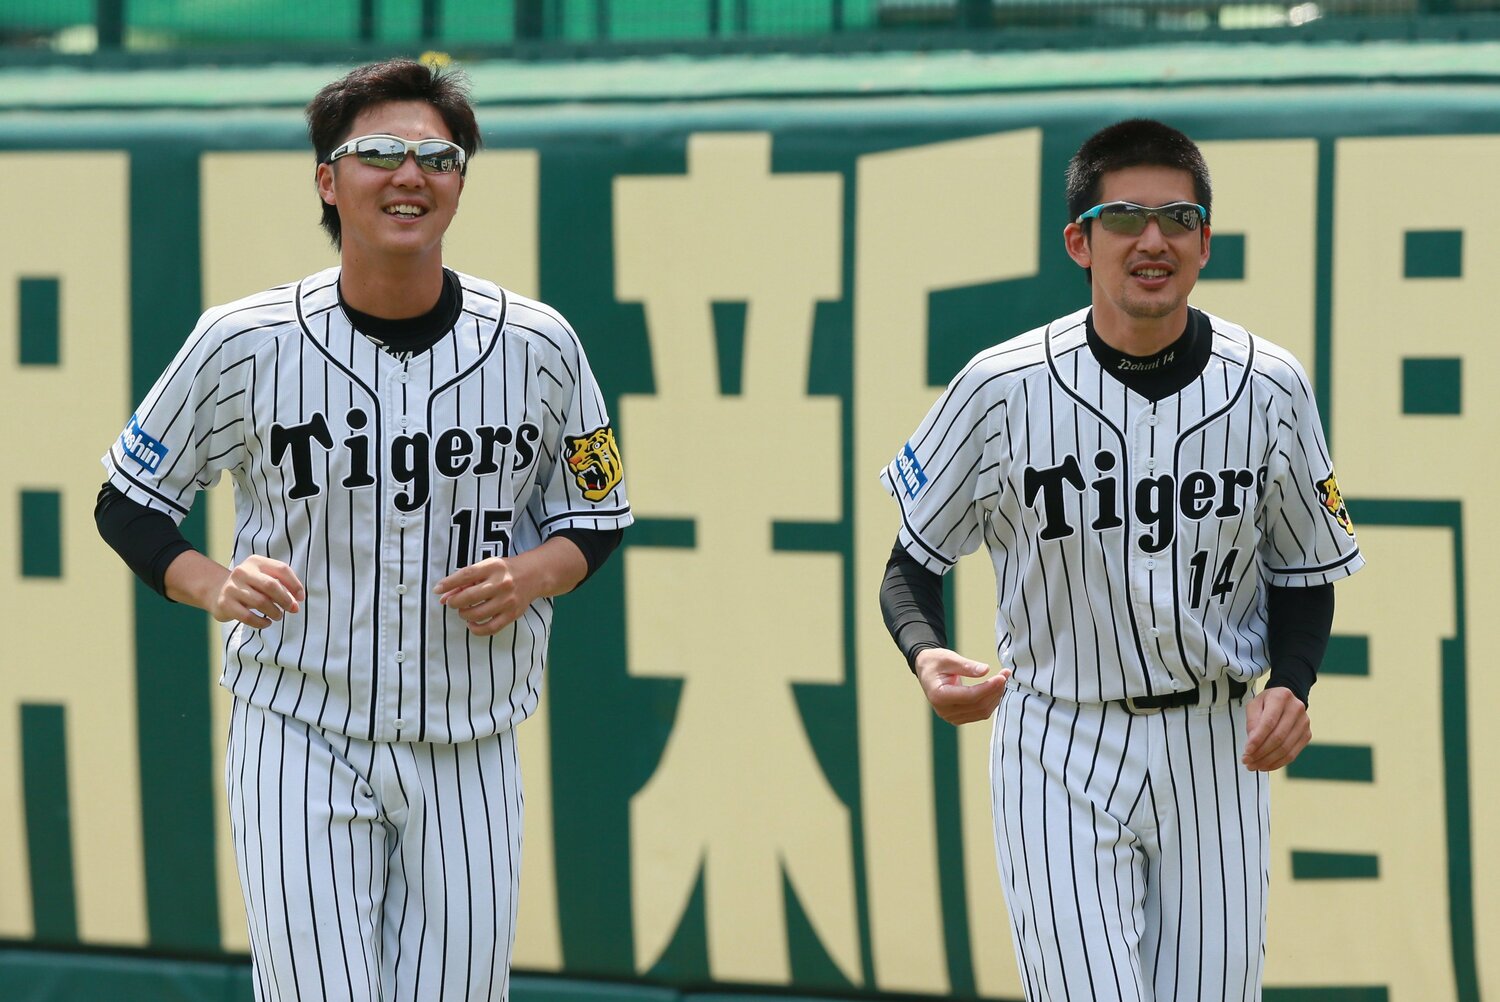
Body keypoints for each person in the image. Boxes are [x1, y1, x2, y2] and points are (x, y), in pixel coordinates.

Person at [96, 58, 631, 1001]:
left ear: (460, 183)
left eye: (438, 155)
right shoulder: (242, 341)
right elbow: (129, 501)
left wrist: (533, 576)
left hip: (470, 736)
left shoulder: (539, 344)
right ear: (327, 180)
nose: (410, 174)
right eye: (378, 151)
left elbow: (596, 515)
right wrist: (211, 582)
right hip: (298, 724)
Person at [879, 118, 1362, 1001]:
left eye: (1178, 217)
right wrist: (924, 653)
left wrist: (1294, 681)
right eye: (1127, 216)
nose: (1154, 239)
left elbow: (1305, 570)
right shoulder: (1000, 387)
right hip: (1057, 736)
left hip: (1215, 746)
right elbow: (910, 565)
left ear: (1206, 241)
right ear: (1080, 241)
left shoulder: (1271, 385)